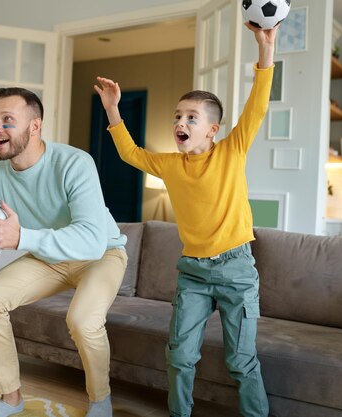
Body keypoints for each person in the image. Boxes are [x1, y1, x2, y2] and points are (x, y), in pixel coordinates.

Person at [94, 22, 278, 417]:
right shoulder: (170, 165)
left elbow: (258, 105)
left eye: (192, 118)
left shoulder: (232, 151)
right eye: (178, 116)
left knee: (241, 361)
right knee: (179, 356)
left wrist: (266, 50)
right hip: (193, 271)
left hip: (236, 269)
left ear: (212, 130)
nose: (181, 122)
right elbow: (130, 153)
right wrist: (112, 108)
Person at [0, 87, 128, 417]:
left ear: (34, 126)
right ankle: (10, 399)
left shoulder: (74, 163)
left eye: (7, 120)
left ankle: (101, 401)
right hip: (50, 259)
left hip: (102, 255)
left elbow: (91, 241)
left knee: (83, 319)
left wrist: (21, 237)